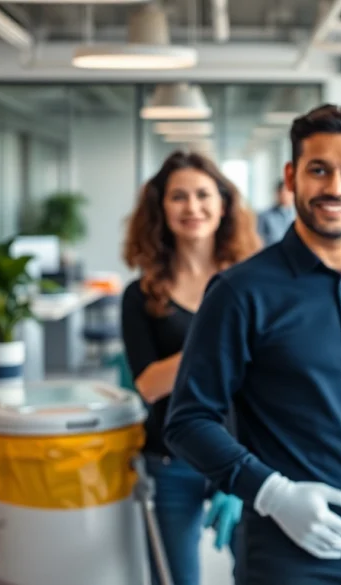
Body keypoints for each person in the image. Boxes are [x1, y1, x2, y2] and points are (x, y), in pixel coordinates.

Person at [162, 104, 341, 585]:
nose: (335, 188)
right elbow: (188, 420)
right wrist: (273, 494)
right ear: (292, 176)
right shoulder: (240, 292)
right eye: (319, 170)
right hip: (288, 555)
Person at [121, 150, 261, 585]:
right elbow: (148, 384)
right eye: (178, 197)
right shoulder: (141, 294)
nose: (192, 207)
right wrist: (220, 341)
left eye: (203, 194)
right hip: (171, 459)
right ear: (161, 208)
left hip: (246, 455)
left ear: (224, 203)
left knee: (258, 575)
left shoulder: (253, 283)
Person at [256, 180, 296, 245]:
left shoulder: (298, 216)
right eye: (283, 193)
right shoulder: (264, 216)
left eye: (289, 193)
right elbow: (257, 240)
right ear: (277, 194)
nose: (286, 196)